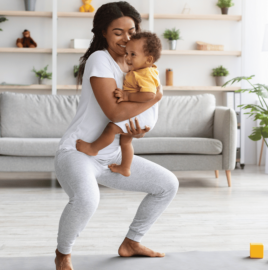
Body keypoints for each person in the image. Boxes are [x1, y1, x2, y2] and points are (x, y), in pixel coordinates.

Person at [54, 2, 179, 270]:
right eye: (118, 32)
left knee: (167, 184)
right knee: (87, 200)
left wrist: (138, 130)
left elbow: (129, 116)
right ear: (103, 33)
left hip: (112, 155)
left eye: (131, 31)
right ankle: (63, 254)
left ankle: (131, 243)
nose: (126, 39)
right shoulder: (100, 59)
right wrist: (155, 97)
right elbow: (114, 110)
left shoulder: (137, 64)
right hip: (78, 152)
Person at [76, 31, 162, 177]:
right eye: (127, 53)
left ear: (148, 60)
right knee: (126, 142)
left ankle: (93, 148)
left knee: (111, 128)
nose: (127, 58)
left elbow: (150, 95)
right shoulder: (142, 70)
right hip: (143, 114)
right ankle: (125, 167)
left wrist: (127, 95)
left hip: (142, 114)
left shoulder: (145, 74)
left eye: (132, 55)